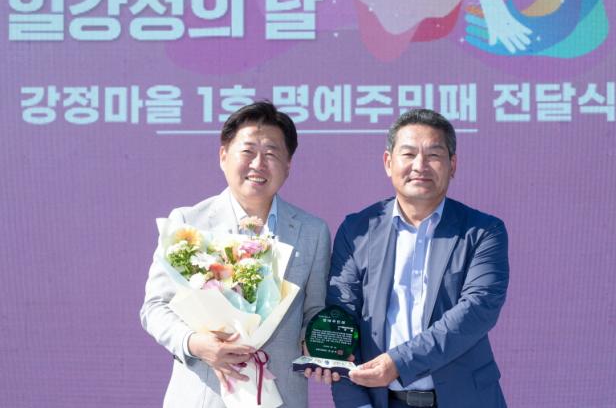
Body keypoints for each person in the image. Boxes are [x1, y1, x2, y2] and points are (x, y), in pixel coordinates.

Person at [140, 101, 331, 407]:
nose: (259, 163)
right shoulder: (188, 223)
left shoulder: (312, 232)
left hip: (282, 396)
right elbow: (155, 307)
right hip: (203, 396)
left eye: (271, 153)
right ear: (223, 156)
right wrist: (195, 344)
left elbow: (315, 313)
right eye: (248, 151)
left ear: (288, 165)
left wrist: (321, 346)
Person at [326, 109, 509, 408]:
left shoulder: (483, 231)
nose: (420, 166)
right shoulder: (357, 230)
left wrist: (399, 362)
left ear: (452, 165)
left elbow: (478, 310)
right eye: (409, 154)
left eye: (433, 155)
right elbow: (340, 317)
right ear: (388, 163)